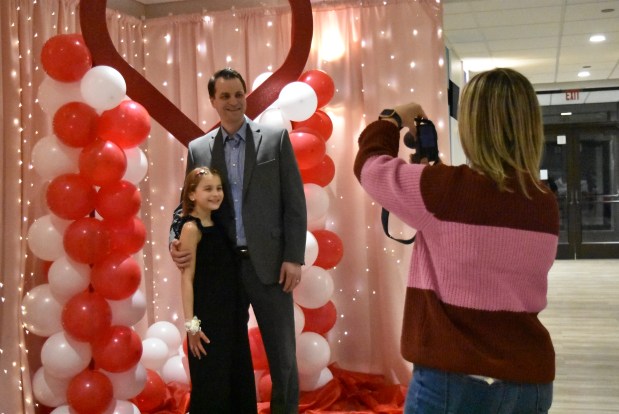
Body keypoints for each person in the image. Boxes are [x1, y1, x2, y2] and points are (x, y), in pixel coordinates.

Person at [353, 68, 559, 413]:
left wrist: (392, 119)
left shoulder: (442, 190)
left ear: (473, 125)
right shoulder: (544, 202)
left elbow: (369, 165)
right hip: (529, 379)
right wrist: (434, 174)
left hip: (452, 381)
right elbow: (486, 216)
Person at [170, 68, 307, 413]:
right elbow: (185, 201)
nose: (233, 102)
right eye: (225, 96)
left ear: (246, 96)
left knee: (283, 359)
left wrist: (294, 256)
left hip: (272, 266)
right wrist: (176, 237)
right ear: (213, 101)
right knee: (224, 355)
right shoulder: (198, 148)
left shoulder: (275, 139)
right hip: (222, 271)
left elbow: (294, 202)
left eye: (238, 94)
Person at [178, 166, 257, 413]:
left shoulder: (222, 225)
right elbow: (186, 279)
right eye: (208, 189)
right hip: (208, 321)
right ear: (192, 194)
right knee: (212, 385)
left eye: (219, 188)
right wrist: (192, 326)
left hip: (232, 318)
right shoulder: (191, 229)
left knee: (237, 379)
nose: (216, 194)